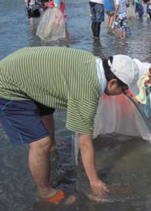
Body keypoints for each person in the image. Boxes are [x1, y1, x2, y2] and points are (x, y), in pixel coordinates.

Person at [0, 47, 140, 203]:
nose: (123, 93)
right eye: (124, 89)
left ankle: (52, 152)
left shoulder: (92, 61)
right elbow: (85, 143)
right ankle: (45, 192)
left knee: (47, 118)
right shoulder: (87, 90)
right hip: (7, 83)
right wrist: (95, 182)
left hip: (26, 72)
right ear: (113, 82)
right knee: (41, 143)